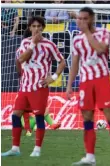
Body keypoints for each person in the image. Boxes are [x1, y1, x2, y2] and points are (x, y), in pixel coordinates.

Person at [66, 7, 110, 165]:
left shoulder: (103, 33)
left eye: (85, 18)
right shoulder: (76, 39)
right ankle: (90, 157)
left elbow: (100, 49)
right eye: (80, 19)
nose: (82, 22)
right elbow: (74, 63)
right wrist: (69, 85)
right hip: (85, 81)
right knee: (87, 118)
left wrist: (87, 32)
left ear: (92, 19)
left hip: (102, 79)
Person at [1, 16, 66, 157]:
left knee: (39, 117)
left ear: (43, 27)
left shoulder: (49, 45)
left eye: (39, 26)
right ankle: (15, 148)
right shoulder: (25, 43)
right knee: (15, 115)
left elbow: (62, 62)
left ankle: (37, 150)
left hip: (39, 87)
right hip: (25, 87)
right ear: (29, 28)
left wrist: (53, 77)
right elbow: (21, 59)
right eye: (34, 26)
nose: (36, 29)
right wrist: (33, 44)